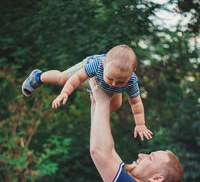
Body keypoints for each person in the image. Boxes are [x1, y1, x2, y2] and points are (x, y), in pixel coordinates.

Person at [22, 45, 152, 141]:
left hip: (103, 84)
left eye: (120, 82)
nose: (113, 83)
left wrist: (140, 124)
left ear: (132, 72)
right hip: (87, 74)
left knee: (117, 104)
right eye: (111, 78)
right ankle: (38, 77)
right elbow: (77, 78)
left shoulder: (131, 81)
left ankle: (98, 118)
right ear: (104, 63)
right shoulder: (97, 64)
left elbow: (136, 103)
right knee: (62, 78)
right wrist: (65, 93)